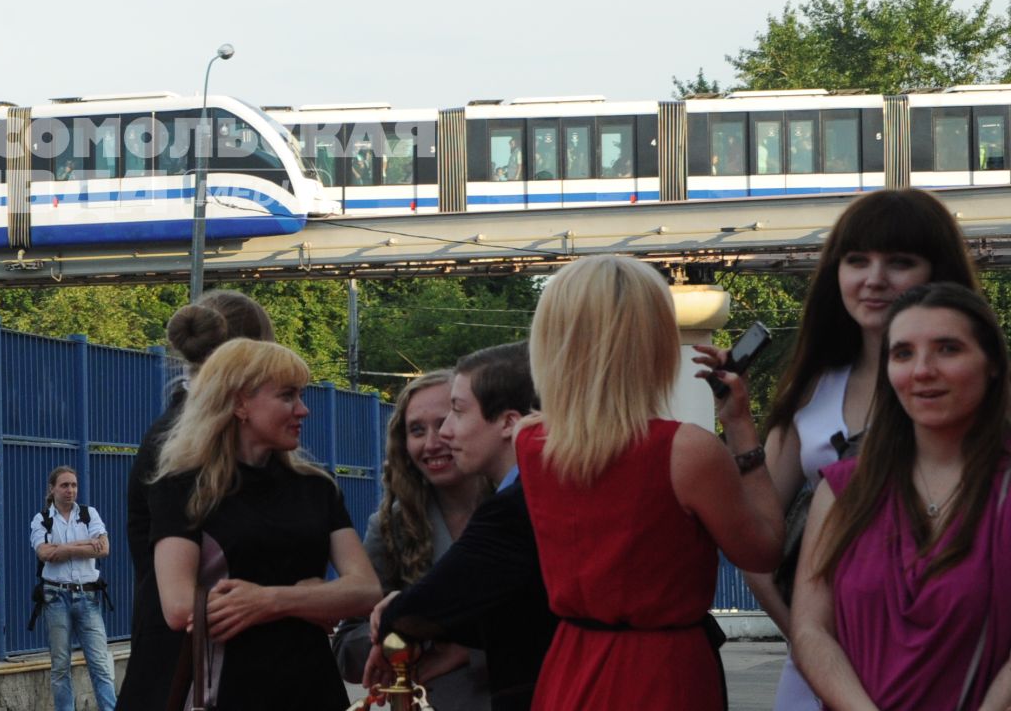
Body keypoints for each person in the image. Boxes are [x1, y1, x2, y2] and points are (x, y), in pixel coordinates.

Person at [744, 188, 978, 711]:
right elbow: (756, 545)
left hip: (949, 675)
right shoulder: (809, 391)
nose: (874, 279)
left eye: (899, 262)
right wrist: (810, 640)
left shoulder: (980, 399)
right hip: (820, 683)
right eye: (857, 261)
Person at [515, 255, 783, 710]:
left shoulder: (531, 440)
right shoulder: (687, 451)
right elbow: (764, 549)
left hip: (571, 663)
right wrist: (740, 427)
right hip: (663, 673)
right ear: (653, 341)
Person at [790, 283, 1011, 710]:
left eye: (948, 349)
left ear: (993, 365)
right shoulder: (843, 490)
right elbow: (810, 630)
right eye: (903, 353)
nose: (922, 370)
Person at [149, 338, 381, 709]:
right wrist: (314, 598)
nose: (303, 410)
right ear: (240, 402)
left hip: (316, 689)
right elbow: (179, 607)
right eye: (288, 396)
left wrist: (270, 601)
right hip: (228, 692)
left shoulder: (317, 485)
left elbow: (367, 590)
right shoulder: (182, 488)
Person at [367, 342, 556, 711]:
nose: (444, 436)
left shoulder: (514, 508)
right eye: (418, 429)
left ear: (509, 423)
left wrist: (395, 613)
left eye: (455, 413)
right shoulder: (546, 492)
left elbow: (423, 607)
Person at [119, 291, 273, 710]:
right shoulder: (190, 442)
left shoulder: (183, 430)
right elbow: (184, 600)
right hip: (193, 669)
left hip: (184, 659)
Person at [333, 370, 491, 710]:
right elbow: (347, 648)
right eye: (417, 430)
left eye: (446, 422)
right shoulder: (391, 525)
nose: (433, 442)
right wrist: (401, 634)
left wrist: (471, 651)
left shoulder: (526, 508)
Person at [30, 466, 117, 711]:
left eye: (74, 485)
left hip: (87, 596)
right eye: (64, 485)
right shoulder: (42, 519)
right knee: (60, 666)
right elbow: (44, 553)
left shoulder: (89, 514)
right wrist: (83, 544)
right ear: (52, 489)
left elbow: (104, 548)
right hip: (55, 597)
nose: (70, 490)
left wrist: (63, 548)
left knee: (99, 663)